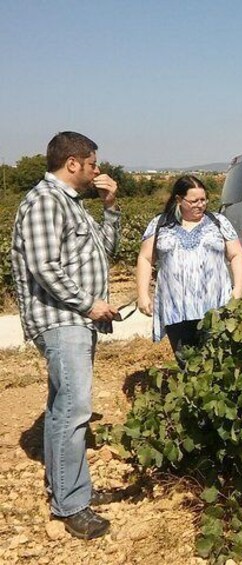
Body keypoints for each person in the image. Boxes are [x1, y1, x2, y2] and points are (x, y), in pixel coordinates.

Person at [10, 131, 120, 539]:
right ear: (72, 163)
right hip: (61, 319)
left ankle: (72, 489)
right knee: (75, 409)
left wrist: (110, 207)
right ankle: (71, 504)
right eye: (92, 164)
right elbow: (44, 266)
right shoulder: (44, 201)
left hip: (75, 319)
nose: (96, 172)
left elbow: (104, 250)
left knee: (63, 409)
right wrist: (89, 303)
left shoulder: (71, 205)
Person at [136, 175, 242, 364]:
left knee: (216, 361)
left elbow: (236, 255)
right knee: (186, 362)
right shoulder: (161, 224)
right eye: (194, 201)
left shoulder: (218, 222)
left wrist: (238, 289)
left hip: (214, 307)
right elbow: (145, 258)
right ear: (179, 200)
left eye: (203, 200)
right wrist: (143, 295)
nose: (200, 205)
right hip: (176, 309)